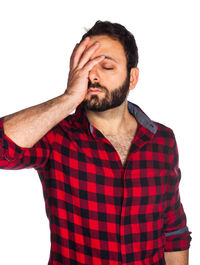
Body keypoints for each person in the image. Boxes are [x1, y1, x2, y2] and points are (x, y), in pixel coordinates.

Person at [0, 20, 192, 265]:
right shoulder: (55, 136)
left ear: (132, 78)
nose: (92, 74)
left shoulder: (162, 140)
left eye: (107, 66)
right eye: (86, 65)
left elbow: (173, 229)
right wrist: (68, 98)